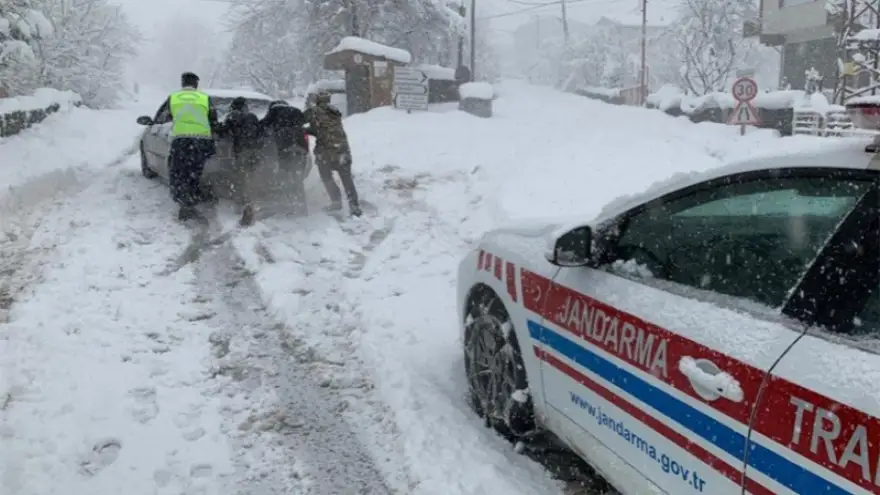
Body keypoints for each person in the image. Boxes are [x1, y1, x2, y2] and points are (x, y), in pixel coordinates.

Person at [155, 72, 221, 221]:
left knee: (179, 172)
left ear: (182, 83)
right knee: (195, 170)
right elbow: (213, 119)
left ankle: (185, 204)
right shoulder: (204, 98)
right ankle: (194, 194)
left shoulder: (174, 98)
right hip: (202, 140)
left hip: (182, 140)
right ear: (196, 84)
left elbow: (166, 116)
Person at [305, 91, 361, 217]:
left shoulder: (314, 112)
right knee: (346, 178)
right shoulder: (334, 112)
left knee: (326, 176)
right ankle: (354, 205)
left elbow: (308, 123)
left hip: (326, 153)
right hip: (342, 150)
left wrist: (303, 130)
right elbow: (322, 129)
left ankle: (336, 201)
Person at [217, 96, 265, 226]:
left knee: (242, 177)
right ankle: (253, 201)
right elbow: (261, 132)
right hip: (256, 152)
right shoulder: (253, 117)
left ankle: (245, 205)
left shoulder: (232, 117)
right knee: (252, 176)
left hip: (242, 152)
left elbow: (223, 133)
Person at [261, 100, 310, 215]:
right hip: (301, 148)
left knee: (285, 174)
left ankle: (289, 205)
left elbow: (262, 126)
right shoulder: (296, 112)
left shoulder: (273, 112)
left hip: (285, 148)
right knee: (298, 177)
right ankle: (302, 206)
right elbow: (304, 121)